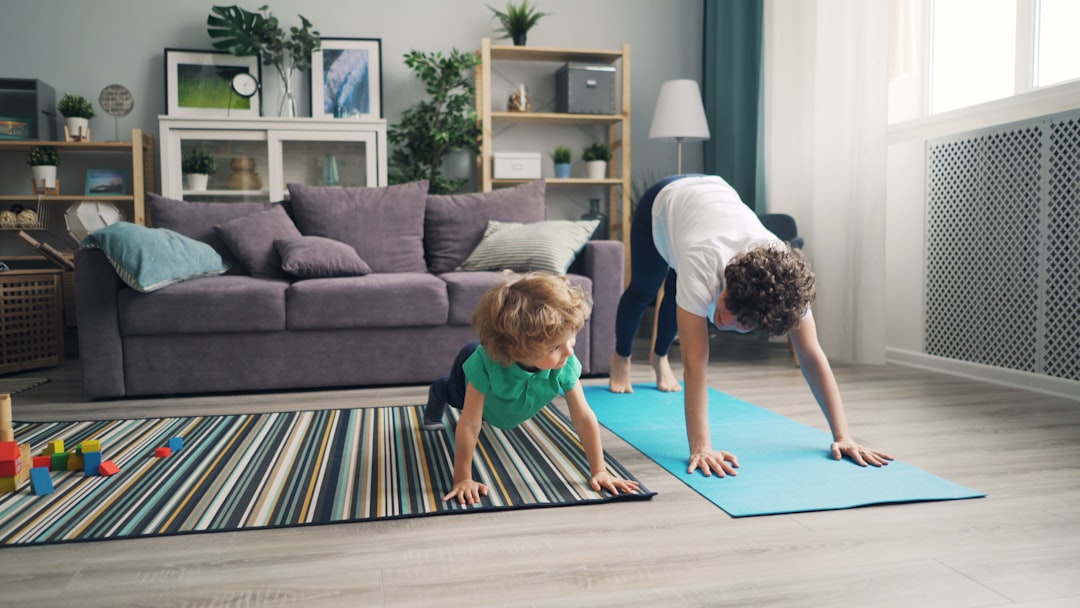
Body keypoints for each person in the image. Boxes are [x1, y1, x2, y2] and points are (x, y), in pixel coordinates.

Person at [609, 174, 892, 478]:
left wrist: (843, 435)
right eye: (727, 302)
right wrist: (702, 446)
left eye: (741, 322)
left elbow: (811, 356)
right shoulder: (703, 261)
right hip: (665, 200)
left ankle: (659, 358)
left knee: (682, 294)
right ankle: (621, 359)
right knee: (645, 289)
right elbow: (694, 363)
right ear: (729, 281)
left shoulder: (787, 286)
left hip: (708, 206)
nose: (723, 320)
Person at [424, 271, 641, 505]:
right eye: (556, 347)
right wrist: (462, 478)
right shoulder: (483, 363)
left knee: (493, 404)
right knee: (451, 393)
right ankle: (437, 392)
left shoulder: (563, 361)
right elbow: (469, 423)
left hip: (504, 388)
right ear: (518, 350)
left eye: (571, 339)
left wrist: (600, 470)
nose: (569, 351)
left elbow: (583, 417)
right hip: (472, 373)